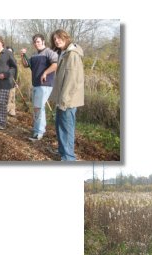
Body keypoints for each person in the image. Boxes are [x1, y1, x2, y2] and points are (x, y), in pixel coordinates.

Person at [48, 30, 84, 161]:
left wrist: (63, 101)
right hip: (62, 99)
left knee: (67, 129)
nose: (57, 40)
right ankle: (63, 152)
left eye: (59, 38)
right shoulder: (63, 53)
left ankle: (68, 158)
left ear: (66, 38)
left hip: (68, 101)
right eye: (55, 39)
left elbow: (72, 81)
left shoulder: (72, 55)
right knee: (60, 126)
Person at [21, 34, 59, 141]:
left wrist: (45, 73)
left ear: (43, 41)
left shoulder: (49, 52)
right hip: (36, 84)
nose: (36, 43)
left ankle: (39, 132)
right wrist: (23, 55)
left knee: (38, 108)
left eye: (38, 41)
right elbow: (25, 65)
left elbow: (55, 65)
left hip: (45, 85)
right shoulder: (34, 55)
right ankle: (38, 130)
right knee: (38, 108)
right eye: (34, 42)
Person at [5, 46, 18, 117]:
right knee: (6, 97)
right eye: (8, 51)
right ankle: (4, 110)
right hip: (4, 81)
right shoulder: (3, 60)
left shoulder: (14, 60)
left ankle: (12, 110)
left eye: (10, 52)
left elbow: (16, 72)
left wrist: (16, 81)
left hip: (12, 81)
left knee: (12, 96)